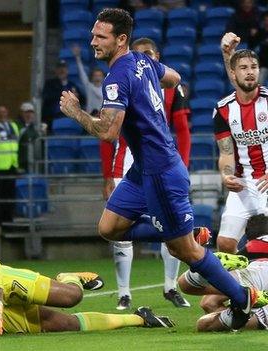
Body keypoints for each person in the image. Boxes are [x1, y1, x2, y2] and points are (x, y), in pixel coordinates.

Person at [58, 8, 260, 330]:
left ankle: (241, 296)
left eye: (100, 36)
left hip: (162, 171)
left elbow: (108, 132)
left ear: (121, 39)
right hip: (144, 169)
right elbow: (175, 78)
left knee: (187, 251)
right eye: (93, 34)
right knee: (109, 228)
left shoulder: (117, 76)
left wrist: (76, 112)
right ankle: (180, 228)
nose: (93, 41)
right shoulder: (142, 61)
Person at [100, 37, 194, 310]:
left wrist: (183, 164)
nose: (142, 60)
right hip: (126, 162)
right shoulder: (118, 80)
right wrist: (108, 174)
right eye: (139, 54)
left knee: (170, 223)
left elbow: (183, 130)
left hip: (159, 161)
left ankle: (170, 286)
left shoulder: (172, 89)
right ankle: (124, 292)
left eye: (148, 55)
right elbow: (106, 134)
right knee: (117, 229)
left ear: (157, 57)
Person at [0, 258, 174, 338]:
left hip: (1, 286)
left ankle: (70, 274)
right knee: (67, 326)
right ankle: (140, 317)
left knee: (73, 297)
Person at [215, 33, 268, 254]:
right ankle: (242, 287)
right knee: (225, 244)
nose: (250, 72)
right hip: (244, 184)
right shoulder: (224, 110)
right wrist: (226, 176)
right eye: (244, 68)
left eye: (254, 67)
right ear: (233, 74)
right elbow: (226, 152)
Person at [177, 251, 268, 332]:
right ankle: (250, 303)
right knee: (204, 324)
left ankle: (210, 266)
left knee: (186, 286)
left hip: (259, 267)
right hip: (259, 279)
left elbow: (208, 304)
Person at [41, 61, 82, 126]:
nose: (62, 70)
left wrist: (77, 96)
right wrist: (62, 93)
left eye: (64, 68)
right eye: (60, 68)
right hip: (52, 118)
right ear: (56, 71)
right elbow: (46, 97)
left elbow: (82, 99)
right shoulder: (49, 84)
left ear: (67, 70)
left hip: (70, 118)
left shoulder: (72, 85)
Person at [72, 45, 105, 115]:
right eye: (95, 76)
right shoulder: (89, 87)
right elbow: (82, 73)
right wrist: (77, 57)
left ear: (103, 77)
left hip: (102, 118)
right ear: (92, 77)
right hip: (90, 117)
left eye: (99, 76)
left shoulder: (106, 89)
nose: (97, 77)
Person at [16, 101, 46, 172]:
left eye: (31, 112)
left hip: (35, 161)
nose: (29, 115)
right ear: (21, 113)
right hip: (21, 162)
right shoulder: (16, 126)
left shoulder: (36, 128)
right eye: (26, 112)